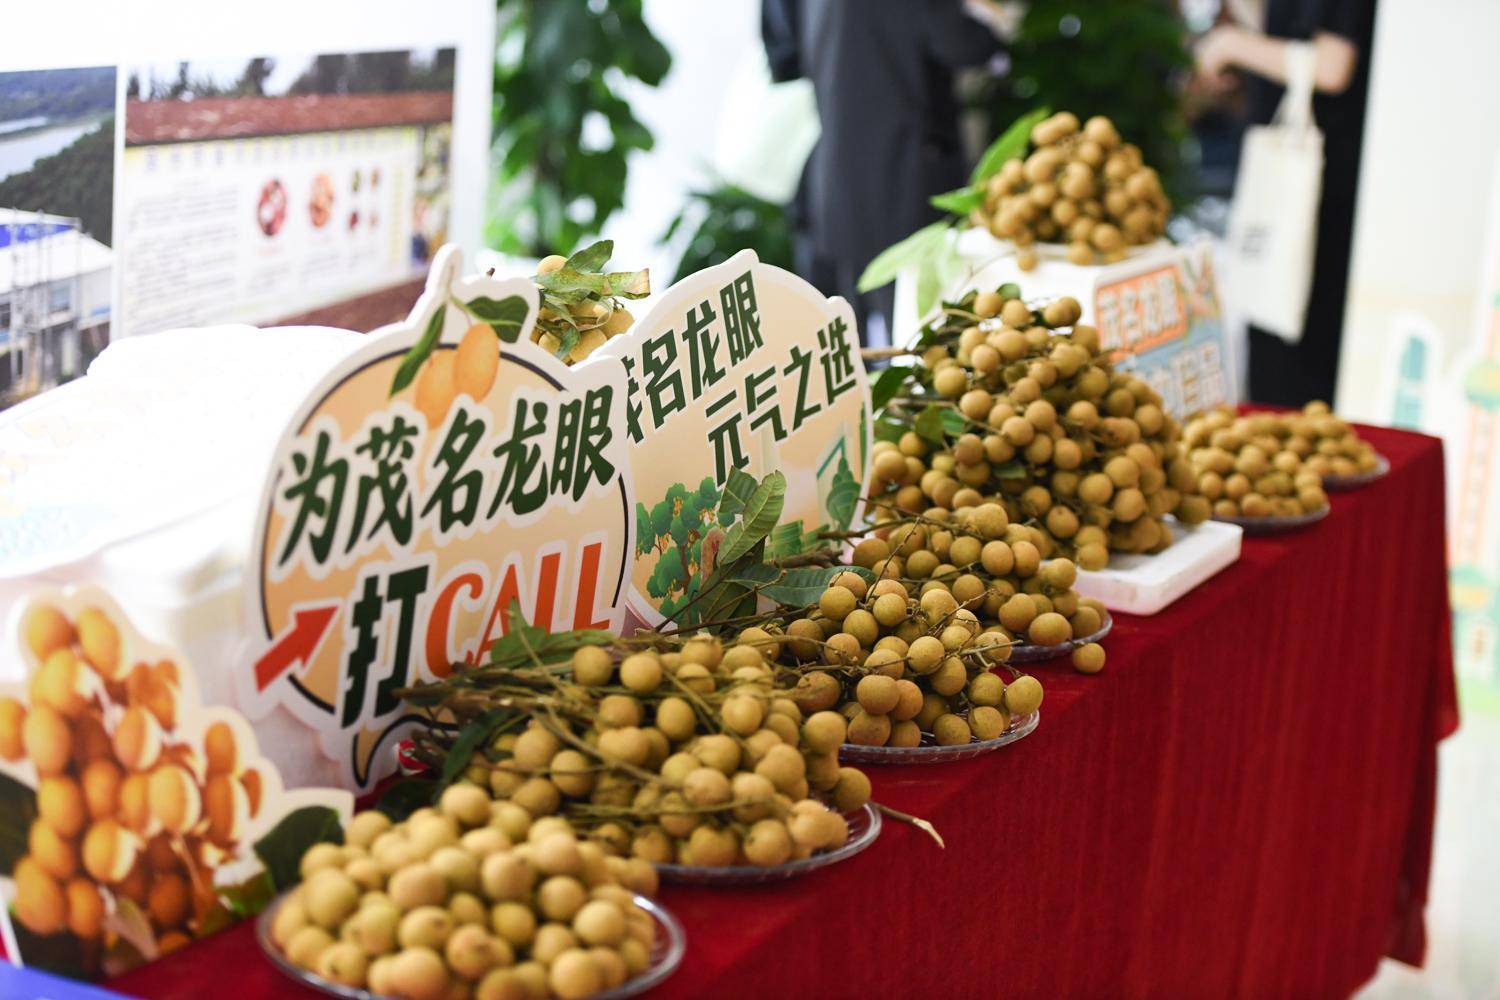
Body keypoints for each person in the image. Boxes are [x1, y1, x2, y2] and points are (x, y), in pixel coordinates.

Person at [762, 0, 1002, 345]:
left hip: (837, 185)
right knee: (922, 344)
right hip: (906, 184)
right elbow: (965, 44)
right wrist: (993, 17)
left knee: (850, 350)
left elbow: (785, 57)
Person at [1195, 0, 1376, 406]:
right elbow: (1288, 30)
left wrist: (1231, 45)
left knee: (1293, 343)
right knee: (1272, 322)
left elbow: (1332, 66)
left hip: (1320, 181)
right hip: (1290, 171)